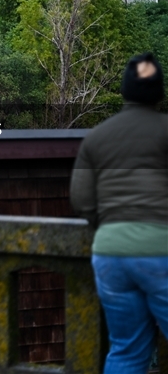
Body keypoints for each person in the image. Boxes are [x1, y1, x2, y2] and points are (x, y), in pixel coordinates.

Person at [70, 52, 167, 374]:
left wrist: (110, 226)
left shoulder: (97, 136)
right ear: (159, 91)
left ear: (124, 90)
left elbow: (81, 199)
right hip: (160, 250)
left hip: (110, 253)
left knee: (126, 351)